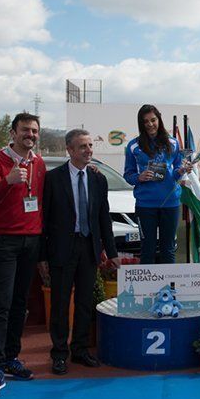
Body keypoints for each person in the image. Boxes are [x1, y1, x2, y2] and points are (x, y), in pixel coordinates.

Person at [0, 112, 46, 398]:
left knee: (20, 304)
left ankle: (10, 358)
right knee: (1, 304)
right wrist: (7, 180)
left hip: (30, 241)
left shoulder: (39, 163)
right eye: (25, 130)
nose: (30, 135)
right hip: (2, 241)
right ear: (13, 132)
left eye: (34, 131)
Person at [40, 129, 120, 375]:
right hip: (62, 249)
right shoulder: (53, 179)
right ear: (70, 150)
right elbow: (44, 219)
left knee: (85, 302)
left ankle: (81, 349)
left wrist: (112, 250)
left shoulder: (98, 179)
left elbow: (103, 217)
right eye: (83, 147)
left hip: (89, 247)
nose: (89, 150)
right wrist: (42, 256)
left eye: (90, 146)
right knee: (61, 303)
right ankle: (59, 353)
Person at [124, 104, 191, 264]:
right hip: (145, 205)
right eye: (145, 121)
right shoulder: (133, 145)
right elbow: (128, 174)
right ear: (141, 123)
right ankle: (146, 289)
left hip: (170, 203)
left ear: (159, 120)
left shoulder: (173, 143)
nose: (150, 124)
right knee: (147, 249)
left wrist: (182, 171)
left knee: (168, 249)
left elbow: (174, 174)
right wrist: (139, 177)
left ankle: (169, 288)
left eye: (153, 120)